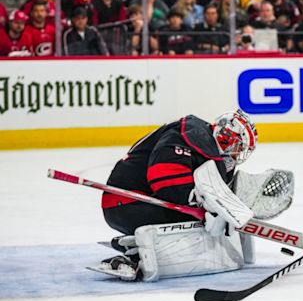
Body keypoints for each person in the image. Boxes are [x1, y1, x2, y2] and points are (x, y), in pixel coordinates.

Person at [95, 110, 259, 281]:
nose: (238, 152)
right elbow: (163, 178)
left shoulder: (205, 144)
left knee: (207, 222)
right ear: (226, 138)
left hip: (137, 202)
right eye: (239, 146)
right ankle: (136, 252)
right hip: (126, 202)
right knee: (202, 224)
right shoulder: (190, 135)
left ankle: (135, 244)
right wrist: (200, 203)